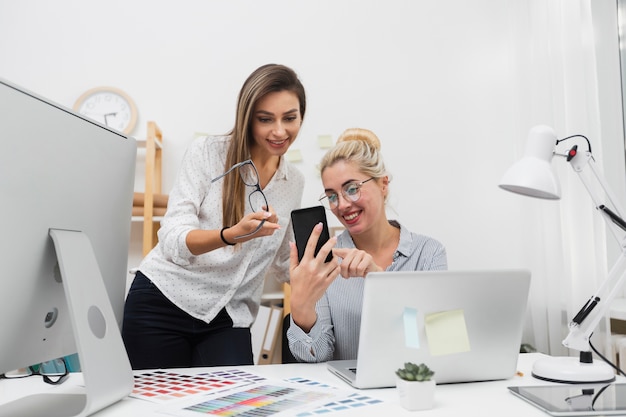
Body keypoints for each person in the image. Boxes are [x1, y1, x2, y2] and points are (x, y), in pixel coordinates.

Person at [122, 63, 307, 369]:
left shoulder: (294, 182)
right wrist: (229, 235)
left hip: (229, 316)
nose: (279, 131)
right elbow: (172, 239)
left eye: (290, 118)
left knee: (235, 409)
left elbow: (285, 263)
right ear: (247, 118)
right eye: (265, 119)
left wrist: (335, 264)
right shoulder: (207, 153)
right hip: (164, 302)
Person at [286, 128, 447, 362]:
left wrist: (380, 281)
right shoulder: (325, 262)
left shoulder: (429, 253)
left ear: (383, 184)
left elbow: (442, 342)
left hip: (411, 386)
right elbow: (318, 357)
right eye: (331, 196)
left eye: (352, 189)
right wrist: (302, 310)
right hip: (351, 394)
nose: (341, 205)